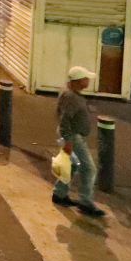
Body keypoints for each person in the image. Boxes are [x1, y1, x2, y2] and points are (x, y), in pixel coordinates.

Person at [53, 66, 105, 217]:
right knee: (89, 169)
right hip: (73, 136)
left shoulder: (71, 92)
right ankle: (85, 202)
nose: (88, 81)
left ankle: (60, 194)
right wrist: (68, 141)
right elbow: (65, 119)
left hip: (71, 135)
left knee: (71, 165)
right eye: (86, 79)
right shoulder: (71, 97)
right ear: (79, 81)